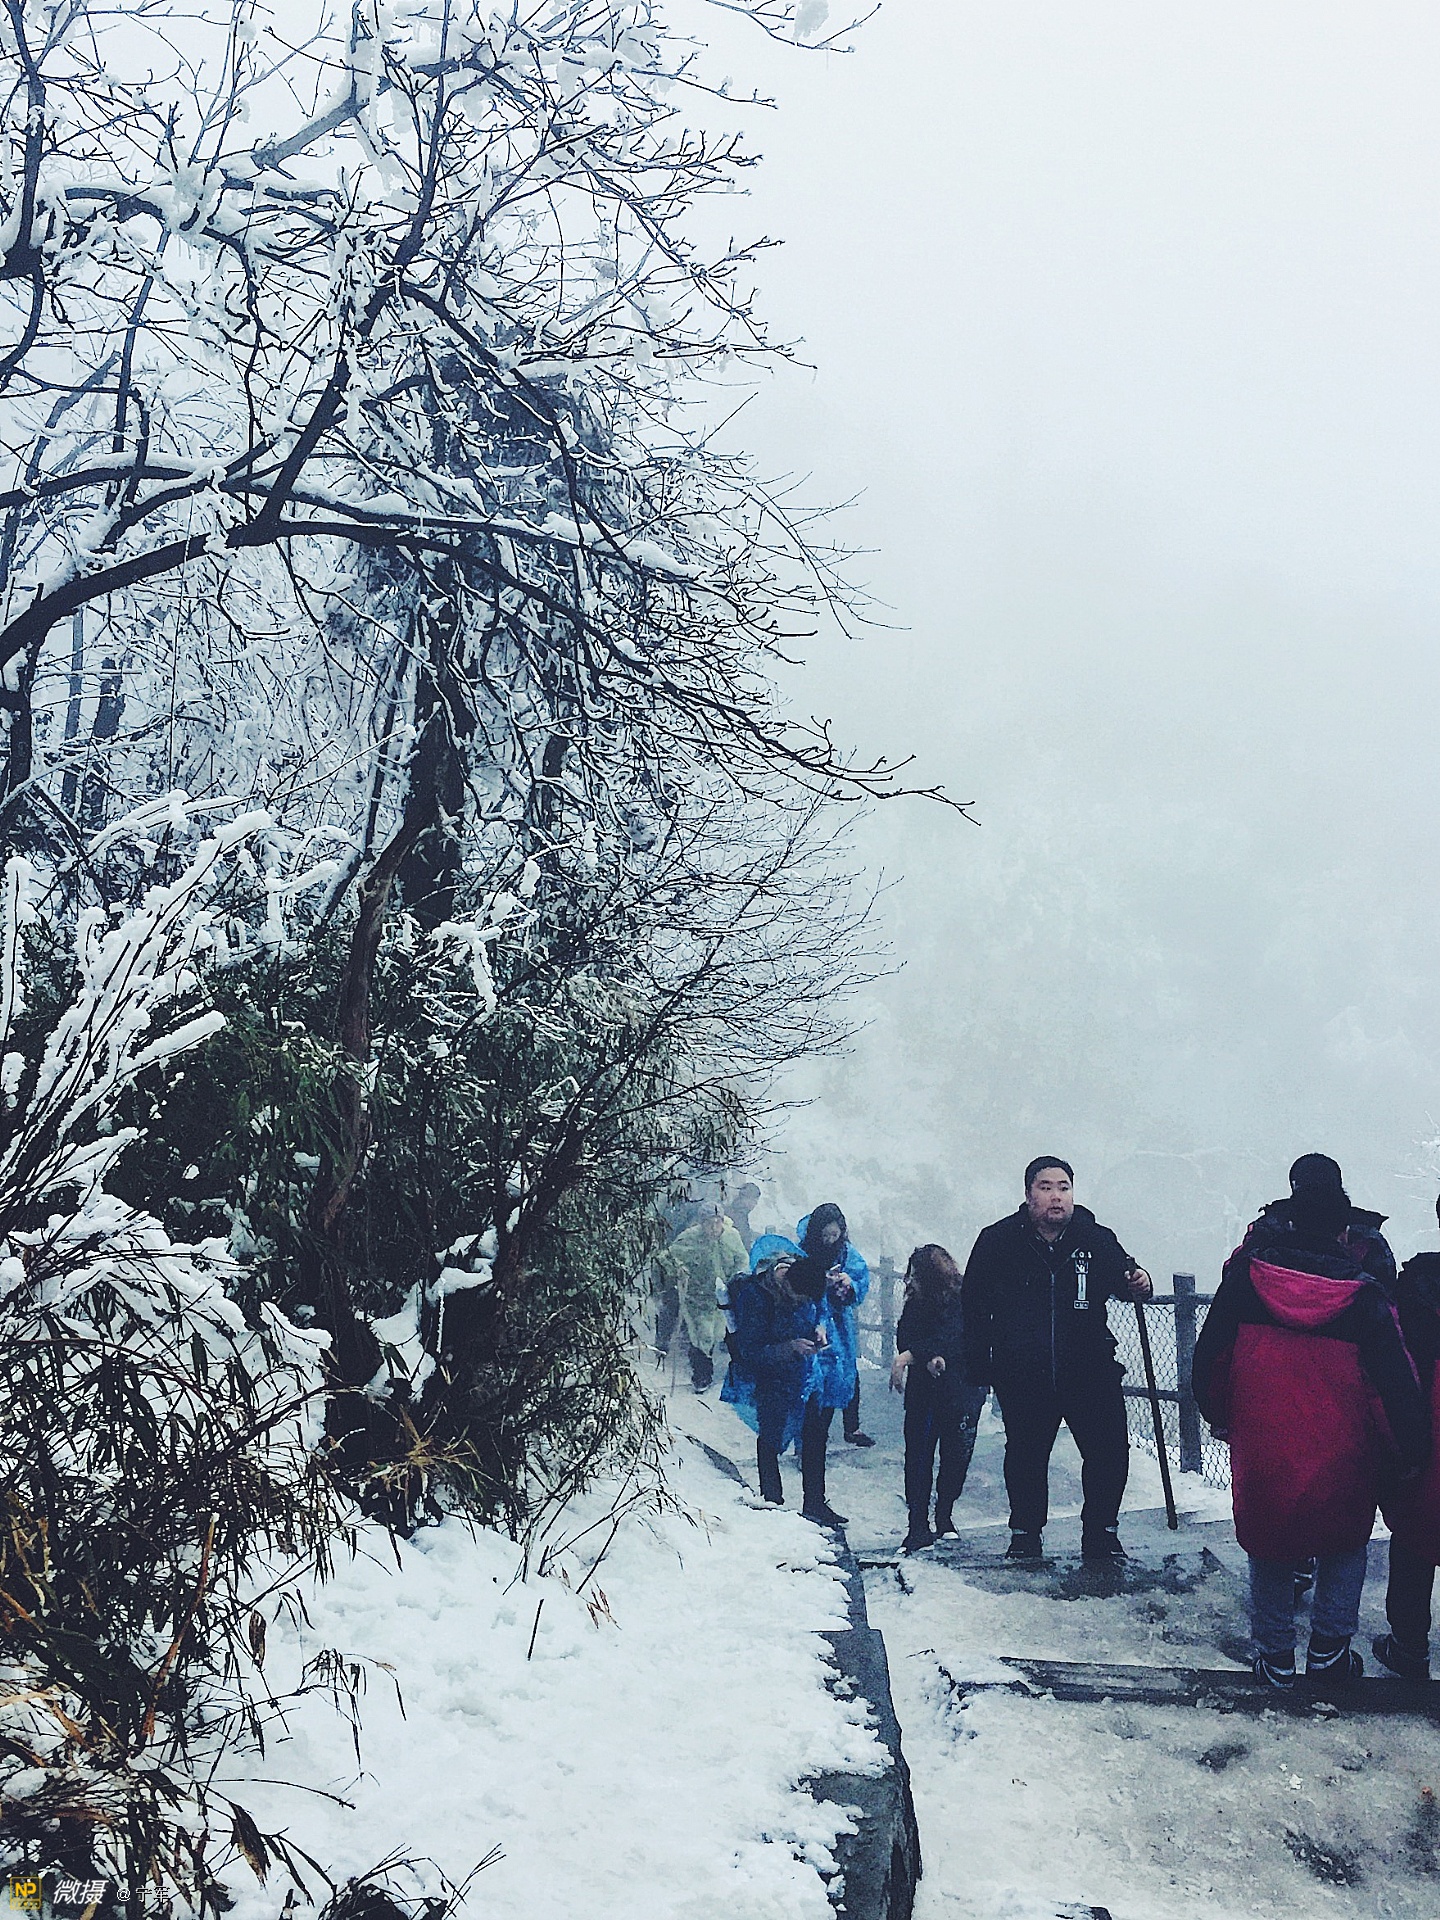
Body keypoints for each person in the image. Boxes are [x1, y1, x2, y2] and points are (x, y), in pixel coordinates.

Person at [1192, 1174, 1429, 1691]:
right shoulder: (1366, 1299)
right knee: (1344, 1545)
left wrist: (1221, 1415)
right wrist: (1409, 1452)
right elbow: (1396, 1386)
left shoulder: (1246, 1281)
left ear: (1290, 1222)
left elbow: (1208, 1360)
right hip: (1345, 1450)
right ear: (1345, 1233)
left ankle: (1275, 1658)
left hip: (1263, 1443)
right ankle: (1329, 1655)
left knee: (1269, 1542)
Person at [962, 1157, 1152, 1561]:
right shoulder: (998, 1241)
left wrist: (1140, 1280)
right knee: (1026, 1455)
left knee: (1107, 1452)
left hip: (1089, 1367)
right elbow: (974, 1306)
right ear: (1028, 1194)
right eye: (1046, 1187)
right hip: (1022, 1370)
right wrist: (979, 1364)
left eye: (1064, 1187)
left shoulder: (1095, 1238)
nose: (1056, 1196)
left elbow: (1125, 1279)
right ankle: (1025, 1533)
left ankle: (1102, 1532)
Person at [724, 1243, 841, 1521]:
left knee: (815, 1438)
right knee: (771, 1437)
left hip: (807, 1377)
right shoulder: (756, 1296)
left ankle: (815, 1502)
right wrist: (789, 1347)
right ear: (787, 1284)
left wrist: (820, 1327)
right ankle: (772, 1499)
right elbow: (750, 1350)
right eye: (799, 1298)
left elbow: (819, 1307)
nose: (801, 1303)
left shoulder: (805, 1283)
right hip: (772, 1378)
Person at [1374, 1196, 1440, 1679]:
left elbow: (1395, 1362)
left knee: (1417, 1536)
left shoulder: (1418, 1284)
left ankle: (1409, 1646)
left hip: (1426, 1424)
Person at [891, 1244, 987, 1553]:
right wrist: (925, 1355)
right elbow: (905, 1335)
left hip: (961, 1389)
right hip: (925, 1392)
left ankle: (944, 1515)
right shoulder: (915, 1303)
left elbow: (957, 1337)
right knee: (918, 1457)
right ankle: (917, 1524)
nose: (909, 1281)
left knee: (955, 1457)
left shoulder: (964, 1298)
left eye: (915, 1275)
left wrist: (918, 1354)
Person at [798, 1204, 876, 1449]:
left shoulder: (846, 1252)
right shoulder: (802, 1252)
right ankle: (810, 1438)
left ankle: (850, 1426)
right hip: (811, 1320)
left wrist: (849, 1284)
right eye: (825, 1235)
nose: (830, 1240)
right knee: (814, 1378)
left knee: (846, 1371)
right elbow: (796, 1285)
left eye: (835, 1234)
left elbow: (861, 1278)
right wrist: (820, 1283)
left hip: (840, 1325)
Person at [655, 1206, 747, 1392]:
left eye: (717, 1223)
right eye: (709, 1223)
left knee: (719, 1333)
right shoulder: (690, 1238)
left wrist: (736, 1277)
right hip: (698, 1297)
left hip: (724, 1296)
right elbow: (666, 1257)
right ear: (701, 1223)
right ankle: (702, 1375)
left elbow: (742, 1258)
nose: (713, 1228)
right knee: (701, 1335)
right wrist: (679, 1270)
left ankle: (728, 1370)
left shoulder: (732, 1236)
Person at [726, 1182, 762, 1253]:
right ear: (745, 1198)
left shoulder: (736, 1210)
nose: (755, 1204)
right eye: (754, 1201)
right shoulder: (739, 1215)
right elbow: (743, 1238)